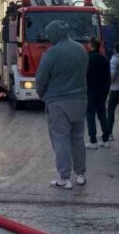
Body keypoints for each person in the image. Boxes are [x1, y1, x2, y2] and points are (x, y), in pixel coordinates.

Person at [36, 20, 89, 189]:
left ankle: (64, 178)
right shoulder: (81, 50)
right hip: (80, 100)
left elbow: (41, 78)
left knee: (61, 139)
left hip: (58, 102)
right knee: (78, 138)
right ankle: (80, 174)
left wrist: (42, 94)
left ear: (55, 34)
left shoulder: (52, 53)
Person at [85, 37, 110, 149]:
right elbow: (108, 77)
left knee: (90, 115)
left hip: (90, 90)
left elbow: (84, 76)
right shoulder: (104, 59)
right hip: (102, 91)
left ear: (91, 45)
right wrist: (106, 90)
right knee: (102, 114)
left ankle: (93, 140)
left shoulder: (87, 58)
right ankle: (106, 139)